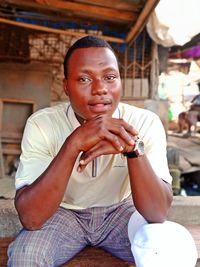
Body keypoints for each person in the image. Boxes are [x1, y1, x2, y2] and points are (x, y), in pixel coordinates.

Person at [8, 36, 197, 267]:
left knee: (167, 248)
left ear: (120, 81)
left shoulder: (144, 122)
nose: (100, 89)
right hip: (65, 214)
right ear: (66, 86)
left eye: (109, 77)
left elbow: (157, 214)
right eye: (84, 79)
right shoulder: (42, 124)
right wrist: (73, 143)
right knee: (25, 256)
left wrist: (132, 150)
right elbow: (31, 218)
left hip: (122, 212)